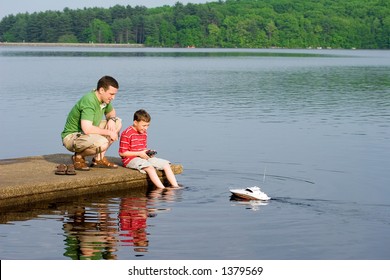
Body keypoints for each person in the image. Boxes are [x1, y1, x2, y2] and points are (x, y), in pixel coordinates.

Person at [61, 75, 122, 170]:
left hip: (86, 134)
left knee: (117, 122)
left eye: (114, 94)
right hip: (72, 137)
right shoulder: (89, 101)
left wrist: (111, 120)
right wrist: (110, 132)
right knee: (103, 143)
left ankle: (98, 159)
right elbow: (87, 129)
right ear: (101, 90)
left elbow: (111, 112)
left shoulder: (104, 99)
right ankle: (78, 157)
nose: (113, 97)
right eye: (111, 94)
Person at [119, 109, 179, 189]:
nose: (146, 128)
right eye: (144, 125)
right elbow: (122, 153)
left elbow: (142, 148)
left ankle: (176, 187)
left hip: (142, 156)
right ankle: (162, 189)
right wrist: (139, 153)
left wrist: (147, 152)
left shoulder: (144, 132)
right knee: (150, 168)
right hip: (130, 159)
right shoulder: (127, 133)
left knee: (166, 165)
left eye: (148, 125)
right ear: (135, 122)